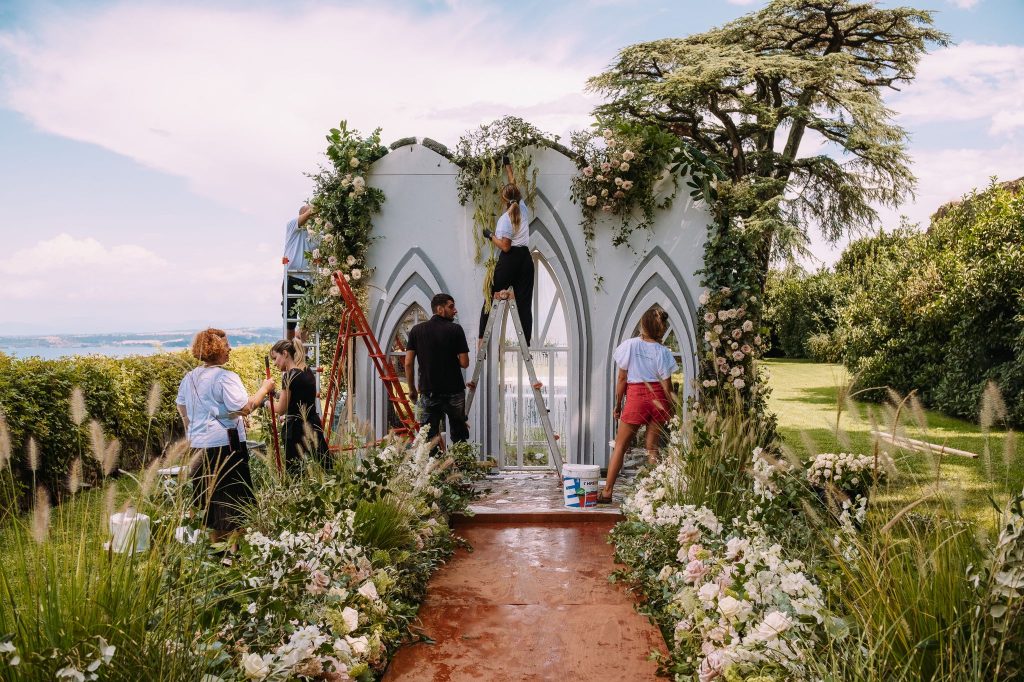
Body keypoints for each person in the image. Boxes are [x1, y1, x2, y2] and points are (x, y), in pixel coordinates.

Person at [176, 328, 275, 542]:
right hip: (225, 448)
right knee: (232, 500)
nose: (230, 348)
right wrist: (264, 389)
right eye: (227, 344)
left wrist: (195, 429)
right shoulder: (225, 377)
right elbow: (246, 407)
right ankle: (232, 555)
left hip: (198, 448)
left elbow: (182, 408)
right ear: (216, 349)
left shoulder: (190, 378)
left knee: (209, 502)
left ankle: (216, 551)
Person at [598, 309, 678, 504]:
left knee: (620, 446)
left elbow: (622, 378)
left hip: (636, 397)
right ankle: (657, 494)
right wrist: (672, 409)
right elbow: (667, 386)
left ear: (644, 325)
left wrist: (618, 405)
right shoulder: (663, 352)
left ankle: (607, 492)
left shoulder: (630, 346)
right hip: (658, 398)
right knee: (652, 448)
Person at [405, 293, 471, 445]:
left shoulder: (416, 330)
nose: (455, 310)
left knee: (429, 438)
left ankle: (433, 468)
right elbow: (465, 363)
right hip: (454, 391)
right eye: (451, 306)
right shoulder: (456, 330)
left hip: (428, 392)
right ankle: (461, 467)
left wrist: (412, 389)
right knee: (459, 436)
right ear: (440, 309)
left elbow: (408, 363)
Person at [478, 183, 535, 346]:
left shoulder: (505, 219)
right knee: (524, 301)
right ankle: (526, 341)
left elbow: (505, 246)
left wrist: (490, 235)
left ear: (504, 200)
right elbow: (514, 183)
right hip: (525, 258)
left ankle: (482, 339)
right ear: (518, 197)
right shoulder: (523, 209)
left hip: (510, 258)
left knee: (489, 295)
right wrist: (508, 167)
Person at [269, 337, 329, 474]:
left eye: (275, 358)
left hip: (296, 430)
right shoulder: (306, 372)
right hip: (313, 425)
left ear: (285, 353)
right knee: (325, 466)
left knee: (296, 473)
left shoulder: (288, 376)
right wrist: (276, 394)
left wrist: (264, 402)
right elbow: (298, 397)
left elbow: (280, 410)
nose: (274, 363)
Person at [282, 204, 317, 340]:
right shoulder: (292, 226)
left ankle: (303, 352)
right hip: (292, 277)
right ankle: (289, 348)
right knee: (290, 320)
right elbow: (308, 215)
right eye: (307, 213)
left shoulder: (316, 235)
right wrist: (317, 208)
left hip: (309, 280)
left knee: (308, 319)